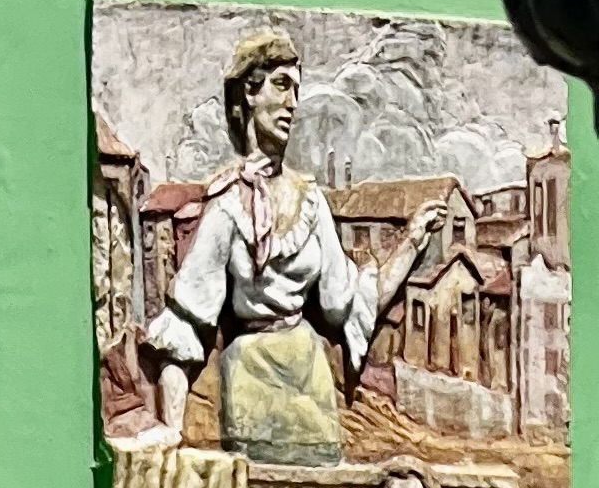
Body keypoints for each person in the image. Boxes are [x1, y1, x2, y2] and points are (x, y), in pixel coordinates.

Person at [135, 27, 442, 464]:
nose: (293, 104)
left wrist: (412, 241)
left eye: (296, 89)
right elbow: (185, 323)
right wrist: (171, 429)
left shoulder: (311, 201)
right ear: (249, 93)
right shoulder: (227, 205)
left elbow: (345, 303)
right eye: (281, 85)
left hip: (311, 383)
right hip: (251, 381)